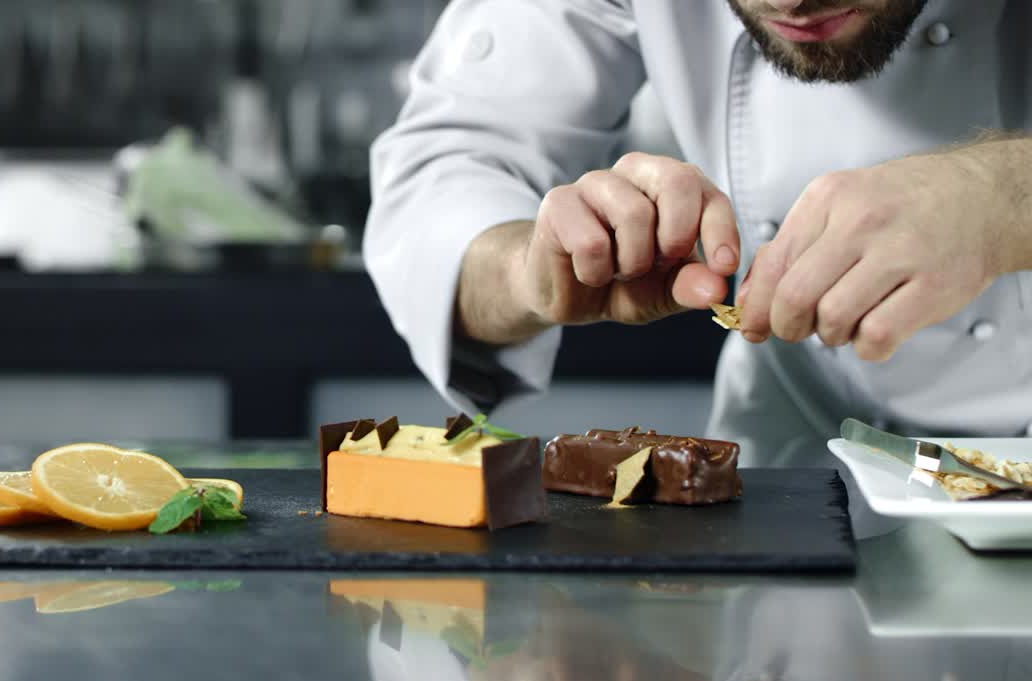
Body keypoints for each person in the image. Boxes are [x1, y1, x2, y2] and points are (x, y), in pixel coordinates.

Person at [364, 0, 1032, 471]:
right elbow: (451, 167)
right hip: (809, 470)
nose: (790, 3)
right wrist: (527, 268)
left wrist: (1005, 196)